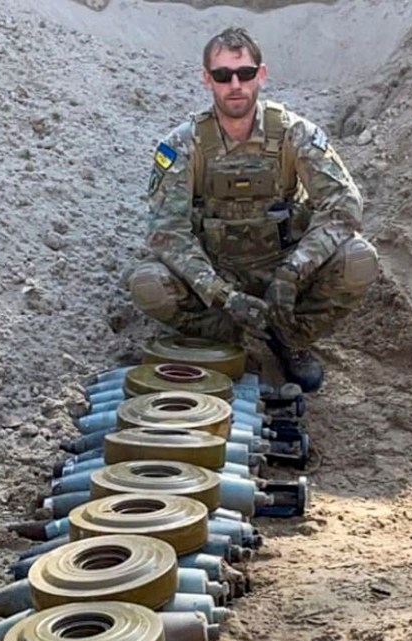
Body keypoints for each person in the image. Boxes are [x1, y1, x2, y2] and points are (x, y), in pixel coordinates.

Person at [127, 26, 378, 392]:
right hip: (217, 273)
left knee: (359, 259)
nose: (235, 84)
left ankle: (290, 338)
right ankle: (230, 340)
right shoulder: (182, 145)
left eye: (244, 73)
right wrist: (220, 294)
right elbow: (167, 233)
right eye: (222, 75)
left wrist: (293, 272)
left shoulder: (296, 134)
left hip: (287, 269)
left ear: (261, 74)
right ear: (207, 79)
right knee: (147, 285)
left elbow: (343, 206)